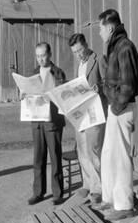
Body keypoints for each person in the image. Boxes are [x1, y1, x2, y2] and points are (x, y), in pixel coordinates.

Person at [97, 9, 138, 221]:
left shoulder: (124, 47)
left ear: (110, 28)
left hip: (121, 109)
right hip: (115, 108)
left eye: (100, 28)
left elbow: (130, 86)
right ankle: (109, 198)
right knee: (108, 155)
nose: (99, 33)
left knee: (121, 158)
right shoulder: (115, 46)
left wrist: (116, 106)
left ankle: (124, 205)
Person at [68, 33, 107, 205]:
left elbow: (109, 81)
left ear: (86, 45)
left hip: (95, 112)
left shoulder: (98, 59)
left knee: (94, 151)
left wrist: (100, 86)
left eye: (80, 50)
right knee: (82, 151)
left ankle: (99, 189)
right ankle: (88, 183)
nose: (78, 55)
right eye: (75, 52)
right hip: (81, 113)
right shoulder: (79, 65)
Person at [27, 42, 67, 206]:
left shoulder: (58, 73)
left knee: (55, 157)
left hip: (52, 121)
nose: (40, 59)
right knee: (38, 158)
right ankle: (38, 192)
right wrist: (24, 95)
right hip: (37, 121)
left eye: (43, 55)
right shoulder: (33, 73)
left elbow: (64, 96)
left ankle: (57, 193)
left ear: (50, 55)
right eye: (37, 56)